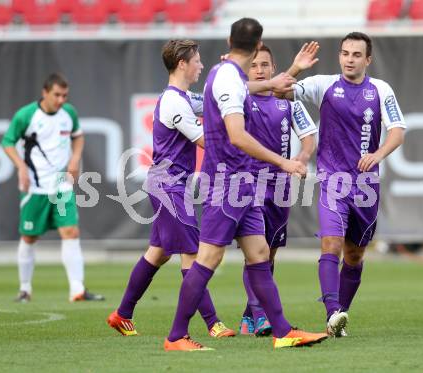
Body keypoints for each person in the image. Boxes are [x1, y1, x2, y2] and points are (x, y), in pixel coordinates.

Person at [163, 18, 328, 351]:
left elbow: (245, 88)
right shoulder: (227, 78)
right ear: (257, 45)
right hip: (227, 181)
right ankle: (176, 336)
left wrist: (282, 76)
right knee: (208, 258)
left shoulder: (227, 74)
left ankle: (282, 331)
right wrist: (283, 161)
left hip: (243, 182)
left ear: (229, 41)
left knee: (259, 253)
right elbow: (237, 136)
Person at [106, 39, 236, 338]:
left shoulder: (184, 97)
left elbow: (219, 101)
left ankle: (122, 313)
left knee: (159, 253)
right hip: (169, 187)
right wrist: (242, 142)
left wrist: (233, 74)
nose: (201, 65)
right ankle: (213, 323)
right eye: (198, 60)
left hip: (170, 185)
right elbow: (207, 140)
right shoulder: (175, 101)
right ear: (182, 64)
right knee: (192, 255)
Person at [287, 32, 406, 337]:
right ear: (339, 56)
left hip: (366, 186)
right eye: (345, 53)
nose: (349, 60)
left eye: (356, 55)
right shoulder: (324, 85)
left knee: (354, 255)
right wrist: (296, 69)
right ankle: (332, 314)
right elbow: (280, 91)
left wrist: (377, 154)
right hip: (332, 180)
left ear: (368, 59)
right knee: (331, 244)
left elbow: (397, 131)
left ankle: (339, 317)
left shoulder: (381, 90)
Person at [2, 73, 104, 302]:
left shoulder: (69, 114)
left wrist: (75, 159)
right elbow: (8, 142)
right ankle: (25, 289)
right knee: (29, 237)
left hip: (61, 183)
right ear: (45, 93)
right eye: (57, 95)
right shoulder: (26, 115)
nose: (61, 100)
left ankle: (77, 289)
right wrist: (20, 166)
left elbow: (78, 136)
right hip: (35, 186)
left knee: (71, 231)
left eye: (65, 95)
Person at [239, 44, 318, 337]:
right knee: (256, 252)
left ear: (273, 68)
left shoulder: (287, 100)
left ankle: (251, 315)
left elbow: (309, 135)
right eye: (254, 65)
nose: (260, 70)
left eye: (265, 65)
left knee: (268, 254)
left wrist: (303, 156)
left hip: (281, 186)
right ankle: (261, 315)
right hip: (248, 184)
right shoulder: (242, 99)